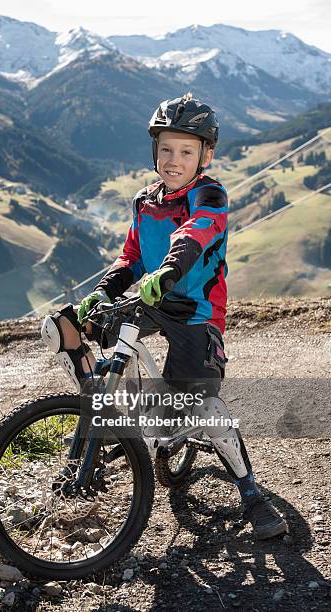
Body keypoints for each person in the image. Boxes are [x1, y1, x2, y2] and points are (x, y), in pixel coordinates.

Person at [41, 93, 288, 540]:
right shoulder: (144, 200)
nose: (174, 160)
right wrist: (102, 292)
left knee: (204, 405)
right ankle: (106, 411)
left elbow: (195, 235)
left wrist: (167, 273)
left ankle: (251, 492)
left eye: (186, 151)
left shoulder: (209, 193)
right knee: (64, 324)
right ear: (155, 151)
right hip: (151, 299)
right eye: (166, 149)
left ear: (205, 156)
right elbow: (132, 255)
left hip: (196, 311)